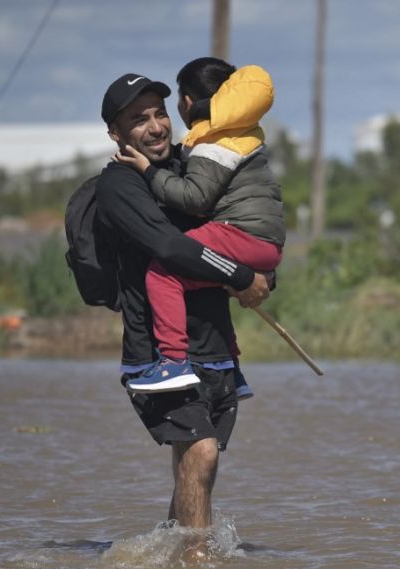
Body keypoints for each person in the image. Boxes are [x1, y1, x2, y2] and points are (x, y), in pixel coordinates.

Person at [94, 72, 270, 538]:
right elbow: (169, 247)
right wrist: (239, 276)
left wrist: (264, 275)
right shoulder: (118, 187)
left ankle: (167, 562)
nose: (155, 127)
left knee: (195, 467)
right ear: (116, 134)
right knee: (202, 452)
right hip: (159, 356)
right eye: (138, 119)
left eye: (159, 114)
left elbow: (244, 227)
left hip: (216, 352)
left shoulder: (195, 166)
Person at [114, 58, 285, 394]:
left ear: (187, 103)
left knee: (164, 271)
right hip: (266, 243)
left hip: (241, 233)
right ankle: (232, 369)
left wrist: (148, 171)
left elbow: (195, 198)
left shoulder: (212, 140)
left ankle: (174, 362)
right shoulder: (244, 134)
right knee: (205, 275)